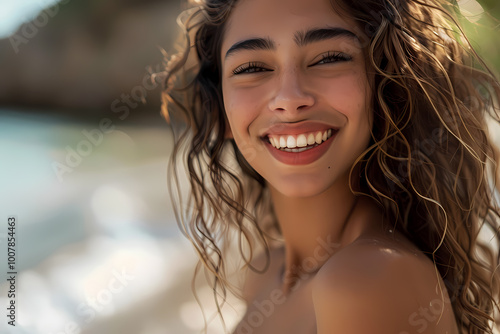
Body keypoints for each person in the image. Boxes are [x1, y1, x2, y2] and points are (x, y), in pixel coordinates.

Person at [162, 0, 500, 332]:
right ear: (219, 109)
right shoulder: (268, 274)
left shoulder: (365, 282)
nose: (290, 99)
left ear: (388, 84)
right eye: (252, 68)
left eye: (329, 58)